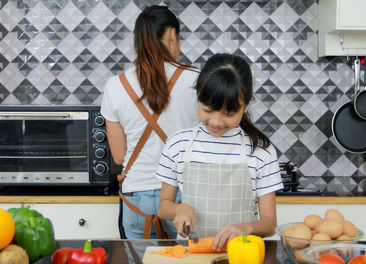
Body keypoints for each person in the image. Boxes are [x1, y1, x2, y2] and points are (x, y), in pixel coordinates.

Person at [156, 53, 283, 250]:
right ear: (198, 98)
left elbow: (269, 223)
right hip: (192, 255)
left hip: (241, 256)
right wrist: (180, 209)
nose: (216, 122)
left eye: (229, 114)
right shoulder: (177, 145)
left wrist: (246, 227)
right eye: (207, 110)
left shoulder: (261, 151)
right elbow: (164, 206)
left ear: (245, 107)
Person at [100, 5, 199, 239]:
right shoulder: (197, 80)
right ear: (172, 35)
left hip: (136, 200)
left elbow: (118, 156)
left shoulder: (115, 85)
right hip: (183, 200)